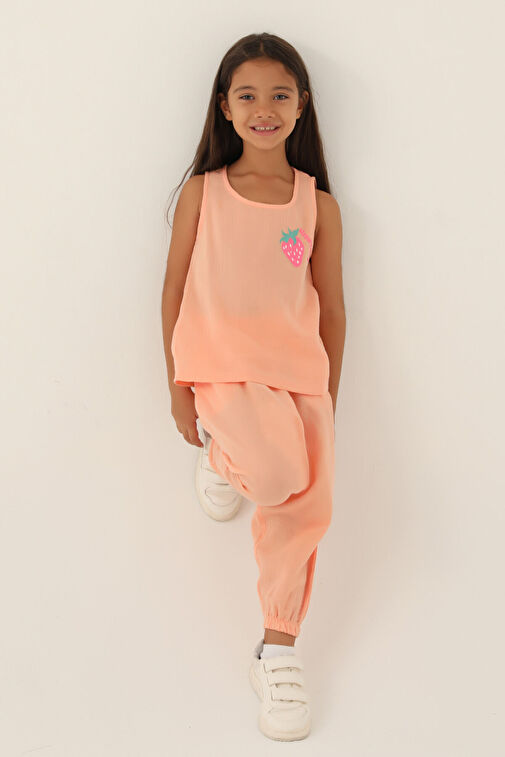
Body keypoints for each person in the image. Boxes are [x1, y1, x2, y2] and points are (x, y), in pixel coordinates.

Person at [161, 32, 345, 742]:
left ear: (301, 106)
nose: (263, 108)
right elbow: (174, 289)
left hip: (300, 377)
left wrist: (329, 398)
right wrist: (178, 387)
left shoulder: (315, 204)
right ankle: (223, 454)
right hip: (223, 371)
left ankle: (278, 649)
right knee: (272, 477)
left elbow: (331, 309)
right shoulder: (202, 194)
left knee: (307, 506)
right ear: (225, 107)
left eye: (279, 95)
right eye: (247, 95)